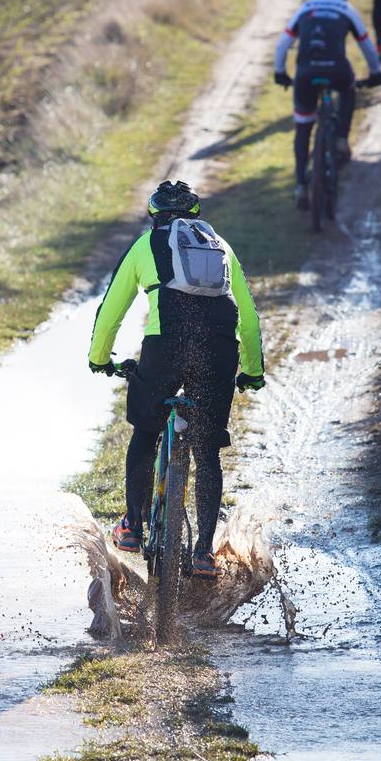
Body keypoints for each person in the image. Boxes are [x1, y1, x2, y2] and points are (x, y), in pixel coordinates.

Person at [88, 180, 265, 578]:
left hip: (165, 345)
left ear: (155, 214)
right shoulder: (220, 245)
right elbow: (249, 318)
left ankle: (133, 526)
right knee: (207, 451)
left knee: (146, 432)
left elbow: (112, 308)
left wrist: (101, 359)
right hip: (218, 349)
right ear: (195, 214)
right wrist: (252, 371)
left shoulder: (146, 244)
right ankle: (204, 552)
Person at [273, 0, 381, 211]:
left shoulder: (305, 7)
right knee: (348, 87)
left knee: (303, 128)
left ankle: (301, 185)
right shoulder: (346, 8)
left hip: (305, 74)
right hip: (337, 70)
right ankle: (342, 138)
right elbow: (366, 44)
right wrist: (375, 73)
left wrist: (280, 72)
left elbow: (282, 44)